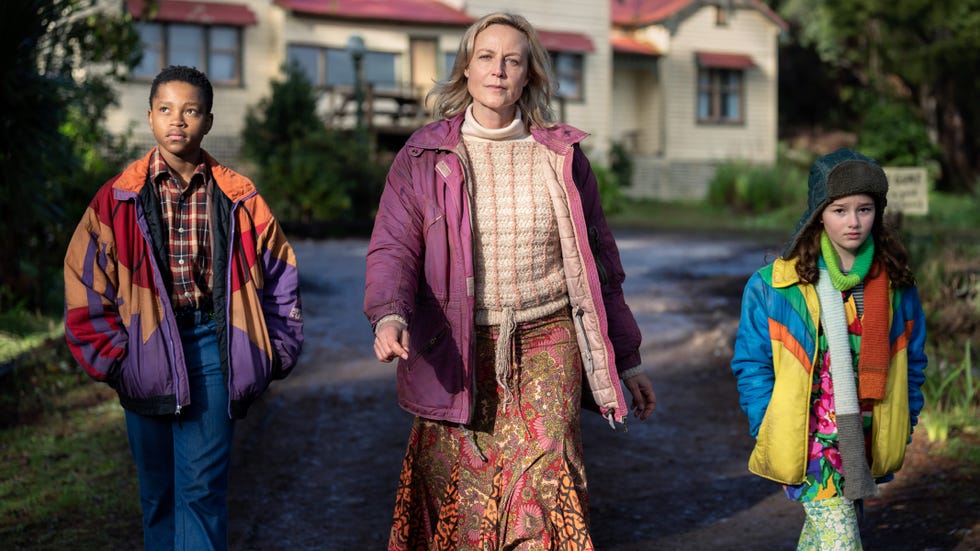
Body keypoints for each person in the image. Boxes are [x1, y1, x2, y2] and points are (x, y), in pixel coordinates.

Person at [363, 11, 657, 549]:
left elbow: (601, 268)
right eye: (486, 57)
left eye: (513, 60)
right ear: (466, 69)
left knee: (545, 477)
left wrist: (627, 357)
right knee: (461, 491)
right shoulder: (424, 156)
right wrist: (388, 314)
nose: (498, 70)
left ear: (529, 75)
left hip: (548, 338)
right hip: (455, 343)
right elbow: (394, 246)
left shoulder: (562, 157)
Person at [63, 65, 303, 550]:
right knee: (158, 496)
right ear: (150, 117)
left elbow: (280, 273)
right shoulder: (117, 198)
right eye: (166, 109)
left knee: (202, 492)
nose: (178, 120)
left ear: (208, 121)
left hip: (212, 347)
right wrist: (114, 358)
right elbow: (84, 278)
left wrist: (272, 350)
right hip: (143, 349)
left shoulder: (239, 197)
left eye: (191, 111)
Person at [731, 148, 928, 549]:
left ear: (878, 213)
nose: (854, 222)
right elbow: (752, 365)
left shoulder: (897, 286)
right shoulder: (774, 286)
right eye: (840, 210)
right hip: (808, 443)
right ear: (819, 213)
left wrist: (903, 425)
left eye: (864, 209)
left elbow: (913, 364)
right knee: (843, 542)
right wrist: (769, 426)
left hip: (866, 441)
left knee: (824, 540)